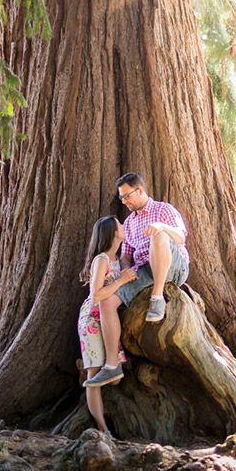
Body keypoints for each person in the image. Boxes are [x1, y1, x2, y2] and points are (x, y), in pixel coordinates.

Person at [85, 172, 189, 389]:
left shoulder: (164, 209)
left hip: (172, 266)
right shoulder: (130, 222)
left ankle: (157, 297)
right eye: (121, 198)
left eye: (127, 196)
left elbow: (180, 236)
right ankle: (112, 365)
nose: (124, 201)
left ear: (140, 190)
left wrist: (161, 227)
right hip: (143, 270)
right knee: (107, 302)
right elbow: (126, 254)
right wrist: (125, 271)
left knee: (158, 235)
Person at [77, 215, 138, 428]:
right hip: (92, 320)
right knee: (93, 374)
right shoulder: (101, 259)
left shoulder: (118, 259)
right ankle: (102, 430)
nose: (123, 225)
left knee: (115, 379)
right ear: (113, 232)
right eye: (119, 224)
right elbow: (96, 294)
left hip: (108, 320)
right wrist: (121, 280)